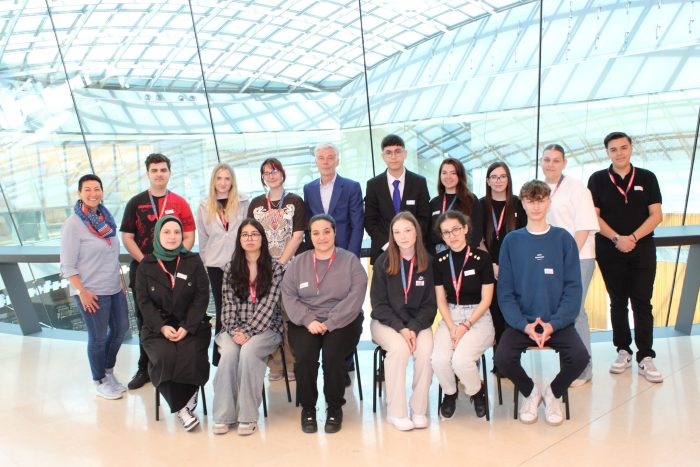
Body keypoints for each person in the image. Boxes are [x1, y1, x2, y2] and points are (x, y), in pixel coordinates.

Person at [494, 180, 588, 426]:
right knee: (502, 359)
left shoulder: (563, 239)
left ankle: (552, 393)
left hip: (556, 323)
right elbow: (505, 292)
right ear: (522, 204)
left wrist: (553, 324)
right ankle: (531, 392)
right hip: (522, 323)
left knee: (580, 357)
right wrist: (523, 325)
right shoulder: (512, 241)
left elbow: (573, 289)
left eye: (540, 200)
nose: (536, 206)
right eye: (530, 201)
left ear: (549, 202)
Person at [587, 132, 663, 383]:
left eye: (623, 148)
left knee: (642, 301)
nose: (619, 153)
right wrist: (617, 239)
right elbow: (594, 217)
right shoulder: (597, 179)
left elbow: (656, 215)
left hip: (642, 247)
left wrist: (632, 237)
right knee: (617, 301)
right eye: (613, 149)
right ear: (607, 152)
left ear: (631, 148)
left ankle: (646, 356)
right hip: (610, 248)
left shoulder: (647, 177)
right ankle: (623, 350)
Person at [281, 214, 367, 434]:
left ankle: (334, 408)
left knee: (333, 356)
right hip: (305, 321)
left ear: (335, 233)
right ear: (309, 236)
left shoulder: (350, 262)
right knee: (306, 358)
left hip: (343, 321)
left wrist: (330, 322)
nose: (321, 237)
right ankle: (308, 408)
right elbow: (289, 295)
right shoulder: (298, 263)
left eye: (326, 231)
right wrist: (309, 320)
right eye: (316, 233)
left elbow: (355, 299)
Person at [120, 153, 196, 390]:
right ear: (148, 174)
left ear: (169, 173)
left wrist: (179, 259)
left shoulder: (180, 203)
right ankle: (145, 368)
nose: (159, 174)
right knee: (146, 319)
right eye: (154, 170)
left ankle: (173, 363)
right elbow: (127, 237)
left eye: (163, 170)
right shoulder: (135, 202)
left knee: (175, 314)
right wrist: (146, 262)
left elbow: (189, 234)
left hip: (174, 270)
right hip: (144, 269)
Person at [135, 215, 211, 431]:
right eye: (167, 232)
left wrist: (187, 327)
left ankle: (184, 403)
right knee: (164, 355)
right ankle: (183, 408)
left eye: (177, 232)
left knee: (190, 353)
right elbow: (144, 303)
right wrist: (161, 327)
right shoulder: (146, 266)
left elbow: (201, 297)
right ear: (158, 235)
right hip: (157, 327)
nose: (172, 236)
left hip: (192, 324)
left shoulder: (192, 261)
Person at [212, 219, 284, 436]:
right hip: (232, 329)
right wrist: (235, 331)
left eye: (254, 234)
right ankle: (224, 415)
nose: (250, 238)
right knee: (229, 354)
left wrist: (249, 333)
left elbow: (268, 306)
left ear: (262, 238)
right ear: (239, 240)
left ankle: (248, 416)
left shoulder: (276, 268)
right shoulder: (230, 268)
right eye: (245, 235)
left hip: (266, 329)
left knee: (250, 352)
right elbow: (227, 304)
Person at [60, 174, 129, 400]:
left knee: (120, 329)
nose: (93, 194)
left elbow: (110, 253)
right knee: (98, 337)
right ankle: (99, 379)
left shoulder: (105, 218)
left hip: (113, 287)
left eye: (97, 189)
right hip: (90, 291)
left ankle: (108, 371)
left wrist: (118, 278)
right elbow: (67, 265)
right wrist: (83, 291)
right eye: (87, 190)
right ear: (79, 194)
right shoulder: (73, 224)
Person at [303, 142, 364, 381]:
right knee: (324, 305)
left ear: (337, 160)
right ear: (316, 161)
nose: (326, 161)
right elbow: (310, 226)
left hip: (344, 256)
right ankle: (329, 359)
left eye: (330, 157)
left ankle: (344, 364)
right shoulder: (308, 189)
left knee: (346, 307)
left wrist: (351, 257)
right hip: (318, 258)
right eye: (321, 157)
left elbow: (357, 223)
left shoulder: (351, 187)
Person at [370, 212, 436, 431]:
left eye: (407, 230)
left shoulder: (428, 262)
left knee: (426, 352)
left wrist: (414, 329)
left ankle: (418, 409)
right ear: (392, 236)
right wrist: (401, 329)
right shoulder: (383, 262)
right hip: (386, 324)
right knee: (399, 350)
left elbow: (430, 306)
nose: (403, 236)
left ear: (416, 231)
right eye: (397, 232)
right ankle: (396, 413)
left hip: (418, 324)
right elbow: (378, 305)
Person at [541, 144, 599, 387]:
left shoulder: (577, 188)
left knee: (574, 312)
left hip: (579, 257)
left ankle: (583, 370)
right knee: (568, 312)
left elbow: (584, 227)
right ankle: (573, 364)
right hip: (554, 261)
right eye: (547, 160)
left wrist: (568, 259)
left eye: (556, 160)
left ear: (564, 163)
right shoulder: (541, 189)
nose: (551, 164)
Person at [248, 157, 307, 381]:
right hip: (263, 269)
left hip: (291, 267)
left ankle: (291, 364)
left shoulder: (295, 201)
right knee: (269, 316)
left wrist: (281, 263)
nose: (271, 175)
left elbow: (298, 234)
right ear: (262, 178)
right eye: (266, 173)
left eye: (275, 171)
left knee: (290, 315)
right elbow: (251, 237)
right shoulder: (255, 204)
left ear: (282, 173)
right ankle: (275, 365)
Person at [431, 211, 494, 420]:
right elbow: (441, 299)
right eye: (446, 232)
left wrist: (465, 326)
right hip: (451, 315)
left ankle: (476, 392)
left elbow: (487, 299)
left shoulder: (482, 258)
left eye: (456, 229)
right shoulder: (439, 260)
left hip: (478, 317)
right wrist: (451, 327)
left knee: (461, 361)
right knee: (438, 360)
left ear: (465, 228)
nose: (452, 235)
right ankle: (450, 393)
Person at [197, 163, 250, 365]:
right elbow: (202, 239)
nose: (223, 183)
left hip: (238, 262)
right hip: (214, 263)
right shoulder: (204, 205)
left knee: (240, 307)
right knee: (222, 309)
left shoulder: (243, 202)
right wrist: (204, 264)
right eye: (219, 178)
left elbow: (248, 232)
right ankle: (220, 358)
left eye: (227, 178)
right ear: (213, 181)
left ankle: (242, 350)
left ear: (232, 181)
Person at [365, 134, 431, 265]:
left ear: (405, 153)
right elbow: (370, 221)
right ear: (383, 156)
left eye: (397, 151)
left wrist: (410, 243)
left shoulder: (419, 182)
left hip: (415, 252)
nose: (393, 157)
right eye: (388, 153)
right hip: (384, 253)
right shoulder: (373, 185)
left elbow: (424, 218)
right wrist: (389, 246)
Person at [480, 161, 526, 346]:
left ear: (508, 179)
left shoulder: (518, 204)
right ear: (488, 181)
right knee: (492, 311)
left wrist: (506, 266)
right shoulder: (480, 204)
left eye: (503, 176)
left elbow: (523, 237)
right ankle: (498, 358)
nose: (498, 180)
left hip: (513, 267)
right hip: (487, 266)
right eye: (494, 177)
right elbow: (476, 239)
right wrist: (491, 264)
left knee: (510, 311)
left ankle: (510, 357)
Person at [429, 158, 483, 253]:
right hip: (439, 257)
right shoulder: (434, 203)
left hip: (465, 255)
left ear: (460, 175)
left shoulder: (471, 200)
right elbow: (429, 235)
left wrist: (464, 253)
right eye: (444, 173)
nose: (448, 176)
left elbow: (477, 233)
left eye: (453, 173)